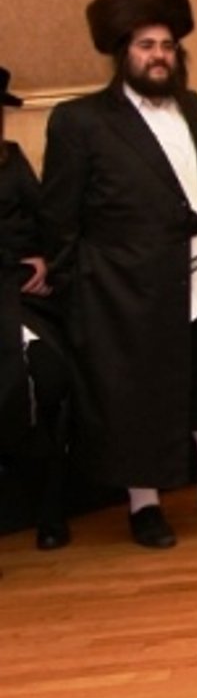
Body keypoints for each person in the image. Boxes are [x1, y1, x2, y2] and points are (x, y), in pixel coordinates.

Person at [40, 0, 197, 549]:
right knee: (140, 395)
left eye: (167, 46)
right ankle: (144, 505)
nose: (159, 56)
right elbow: (59, 218)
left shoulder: (192, 106)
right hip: (127, 288)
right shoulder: (81, 120)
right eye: (146, 46)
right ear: (123, 53)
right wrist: (80, 293)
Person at [0, 67, 71, 550]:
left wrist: (47, 260)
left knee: (50, 374)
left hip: (28, 292)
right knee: (13, 382)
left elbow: (46, 215)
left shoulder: (12, 158)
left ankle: (52, 504)